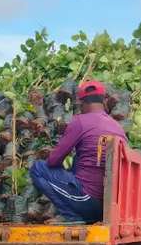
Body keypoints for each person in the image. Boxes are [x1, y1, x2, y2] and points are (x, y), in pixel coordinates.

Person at [29, 80, 127, 224]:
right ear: (103, 101)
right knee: (77, 160)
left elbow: (54, 160)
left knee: (38, 168)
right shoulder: (117, 127)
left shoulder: (80, 121)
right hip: (107, 207)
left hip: (87, 201)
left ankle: (72, 216)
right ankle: (82, 212)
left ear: (82, 103)